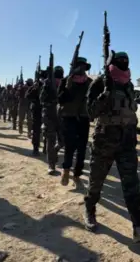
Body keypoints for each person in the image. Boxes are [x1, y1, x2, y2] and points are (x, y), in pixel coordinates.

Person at [84, 51, 140, 243]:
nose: (124, 66)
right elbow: (90, 112)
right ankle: (90, 210)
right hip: (105, 141)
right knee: (96, 181)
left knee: (132, 185)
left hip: (126, 142)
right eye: (120, 64)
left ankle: (139, 227)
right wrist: (104, 96)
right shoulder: (100, 83)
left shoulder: (128, 84)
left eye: (126, 64)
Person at [58, 57, 92, 187]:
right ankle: (66, 170)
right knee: (69, 147)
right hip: (69, 117)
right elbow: (60, 99)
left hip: (83, 118)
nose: (82, 69)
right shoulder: (66, 81)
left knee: (82, 149)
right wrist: (67, 89)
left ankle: (77, 175)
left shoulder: (89, 82)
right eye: (79, 66)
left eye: (84, 66)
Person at [41, 66, 64, 174]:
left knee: (62, 141)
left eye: (60, 77)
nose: (58, 80)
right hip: (49, 116)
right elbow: (42, 99)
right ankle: (51, 165)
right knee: (51, 140)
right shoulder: (47, 84)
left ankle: (54, 151)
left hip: (62, 117)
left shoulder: (65, 84)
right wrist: (47, 89)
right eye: (57, 77)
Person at [26, 74, 44, 156]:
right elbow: (28, 96)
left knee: (48, 131)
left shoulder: (51, 85)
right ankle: (36, 148)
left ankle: (45, 148)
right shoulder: (36, 86)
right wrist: (34, 87)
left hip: (48, 111)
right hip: (37, 111)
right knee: (36, 130)